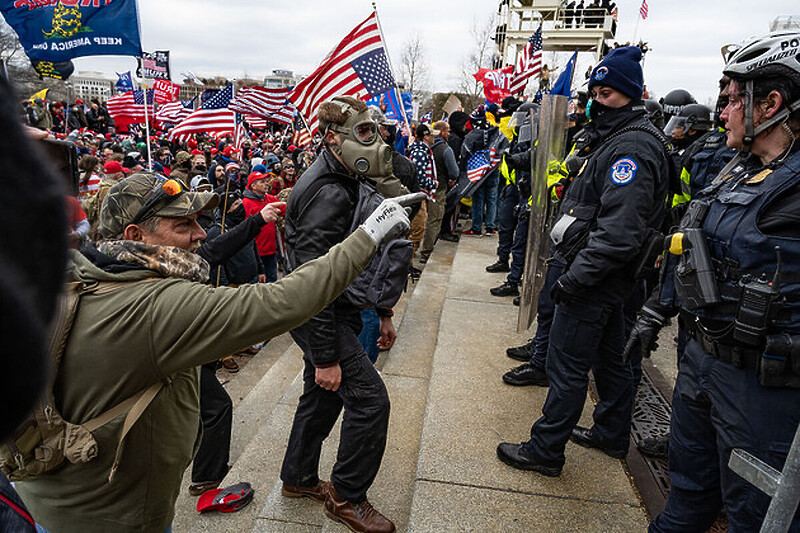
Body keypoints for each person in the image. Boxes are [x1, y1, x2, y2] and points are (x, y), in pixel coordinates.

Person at [13, 171, 409, 533]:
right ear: (135, 235)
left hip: (57, 505)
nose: (201, 234)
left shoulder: (74, 279)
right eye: (183, 224)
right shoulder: (153, 307)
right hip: (114, 521)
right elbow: (283, 302)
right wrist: (367, 237)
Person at [643, 31, 800, 531]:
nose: (723, 111)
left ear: (772, 103)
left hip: (764, 390)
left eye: (734, 99)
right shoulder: (735, 169)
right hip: (702, 364)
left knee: (755, 515)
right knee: (685, 499)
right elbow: (691, 248)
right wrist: (656, 310)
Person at [496, 46, 670, 476]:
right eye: (595, 91)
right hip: (609, 279)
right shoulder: (618, 138)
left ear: (630, 95)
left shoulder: (631, 147)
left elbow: (619, 233)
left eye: (608, 93)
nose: (597, 101)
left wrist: (574, 280)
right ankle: (611, 433)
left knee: (567, 365)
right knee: (612, 360)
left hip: (596, 279)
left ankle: (545, 449)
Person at [280, 96, 398, 533]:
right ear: (333, 139)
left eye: (375, 132)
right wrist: (325, 355)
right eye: (365, 135)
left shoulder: (344, 177)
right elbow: (311, 281)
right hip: (318, 315)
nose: (376, 142)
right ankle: (348, 497)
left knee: (321, 395)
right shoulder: (329, 191)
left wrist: (382, 309)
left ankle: (298, 477)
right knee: (370, 400)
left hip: (335, 310)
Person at [419, 121, 458, 264]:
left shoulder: (421, 149)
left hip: (421, 189)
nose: (449, 133)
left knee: (420, 220)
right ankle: (426, 252)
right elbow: (454, 171)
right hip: (437, 190)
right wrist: (452, 178)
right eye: (447, 131)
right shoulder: (446, 150)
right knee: (434, 220)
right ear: (441, 132)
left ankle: (417, 248)